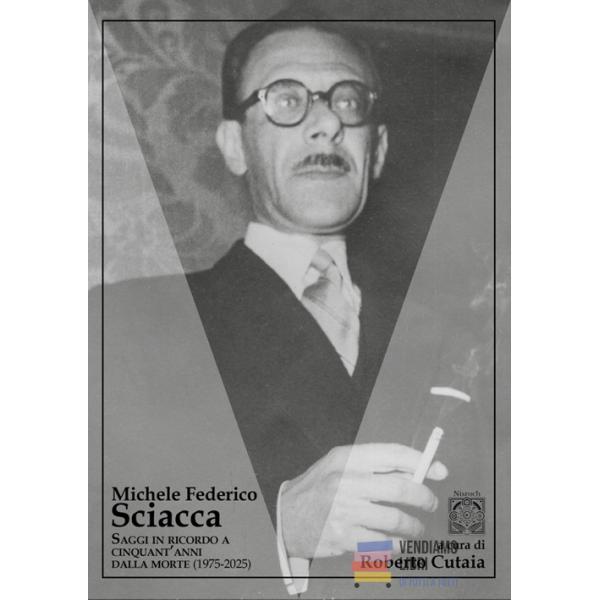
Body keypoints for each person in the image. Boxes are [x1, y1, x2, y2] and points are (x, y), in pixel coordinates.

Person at [184, 18, 449, 593]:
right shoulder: (127, 325)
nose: (327, 122)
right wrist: (281, 531)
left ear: (376, 150)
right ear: (235, 145)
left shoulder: (462, 328)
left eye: (348, 101)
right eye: (286, 99)